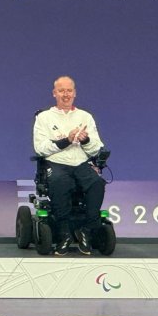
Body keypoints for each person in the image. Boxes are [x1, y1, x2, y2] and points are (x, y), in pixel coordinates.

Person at [33, 76, 105, 256]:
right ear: (54, 93)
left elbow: (97, 147)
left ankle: (86, 230)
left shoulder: (85, 117)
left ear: (75, 93)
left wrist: (85, 140)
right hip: (57, 163)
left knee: (97, 183)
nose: (66, 94)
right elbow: (40, 148)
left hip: (80, 163)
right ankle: (64, 233)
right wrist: (66, 140)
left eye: (69, 91)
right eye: (61, 91)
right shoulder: (44, 118)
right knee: (59, 182)